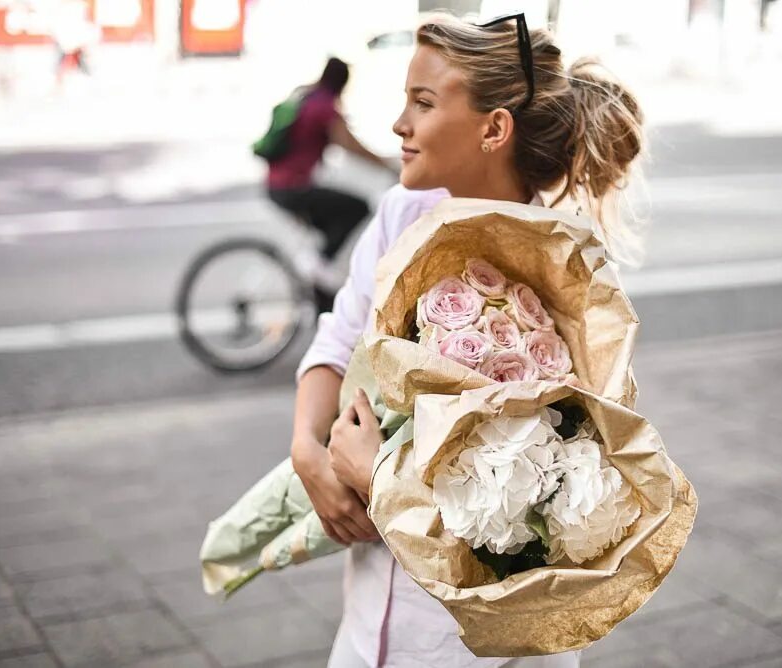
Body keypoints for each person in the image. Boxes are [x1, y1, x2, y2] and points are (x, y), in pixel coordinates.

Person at [290, 13, 645, 668]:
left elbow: (558, 501)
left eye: (422, 103)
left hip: (481, 646)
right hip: (370, 626)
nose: (399, 124)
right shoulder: (400, 214)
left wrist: (378, 476)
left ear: (493, 129)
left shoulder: (575, 272)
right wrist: (307, 451)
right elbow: (338, 338)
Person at [266, 57, 398, 309]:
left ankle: (321, 293)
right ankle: (319, 271)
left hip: (278, 184)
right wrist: (386, 165)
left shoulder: (306, 96)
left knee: (331, 220)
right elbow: (348, 144)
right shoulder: (324, 106)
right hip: (293, 186)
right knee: (356, 208)